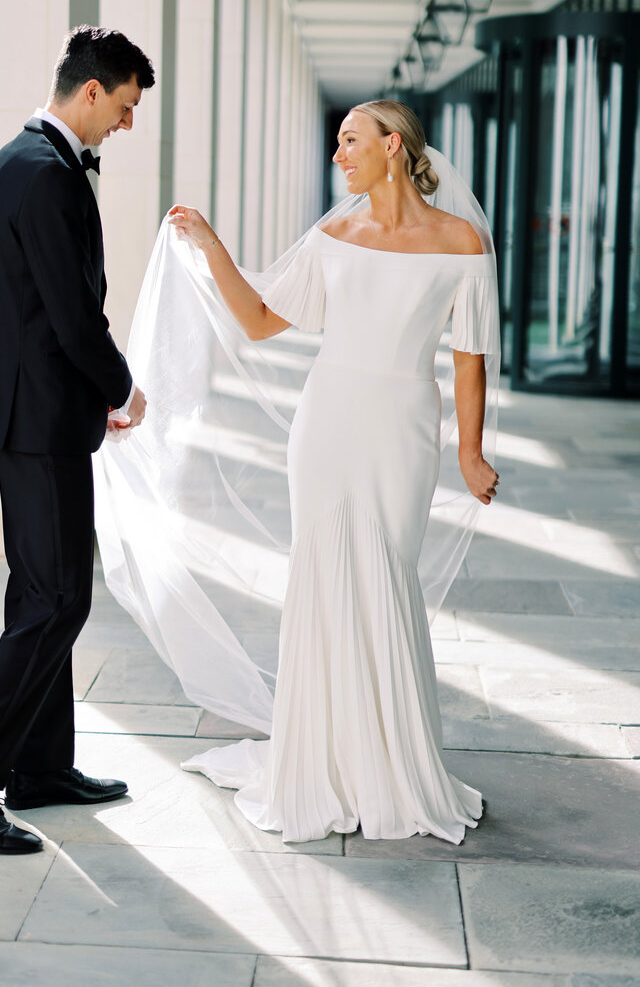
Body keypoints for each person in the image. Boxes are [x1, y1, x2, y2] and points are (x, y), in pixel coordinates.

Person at [166, 100, 499, 844]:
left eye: (351, 140)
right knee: (324, 576)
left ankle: (393, 761)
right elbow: (257, 319)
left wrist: (469, 453)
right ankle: (324, 761)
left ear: (393, 146)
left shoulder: (461, 241)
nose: (338, 154)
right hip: (328, 422)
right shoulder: (332, 234)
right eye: (338, 143)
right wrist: (210, 243)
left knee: (387, 571)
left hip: (403, 426)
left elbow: (471, 357)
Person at [0, 26, 154, 854]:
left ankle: (44, 767)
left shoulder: (22, 161)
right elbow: (71, 316)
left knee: (43, 591)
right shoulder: (43, 174)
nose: (126, 125)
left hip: (34, 410)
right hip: (41, 414)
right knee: (58, 598)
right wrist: (122, 387)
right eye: (124, 108)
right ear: (91, 91)